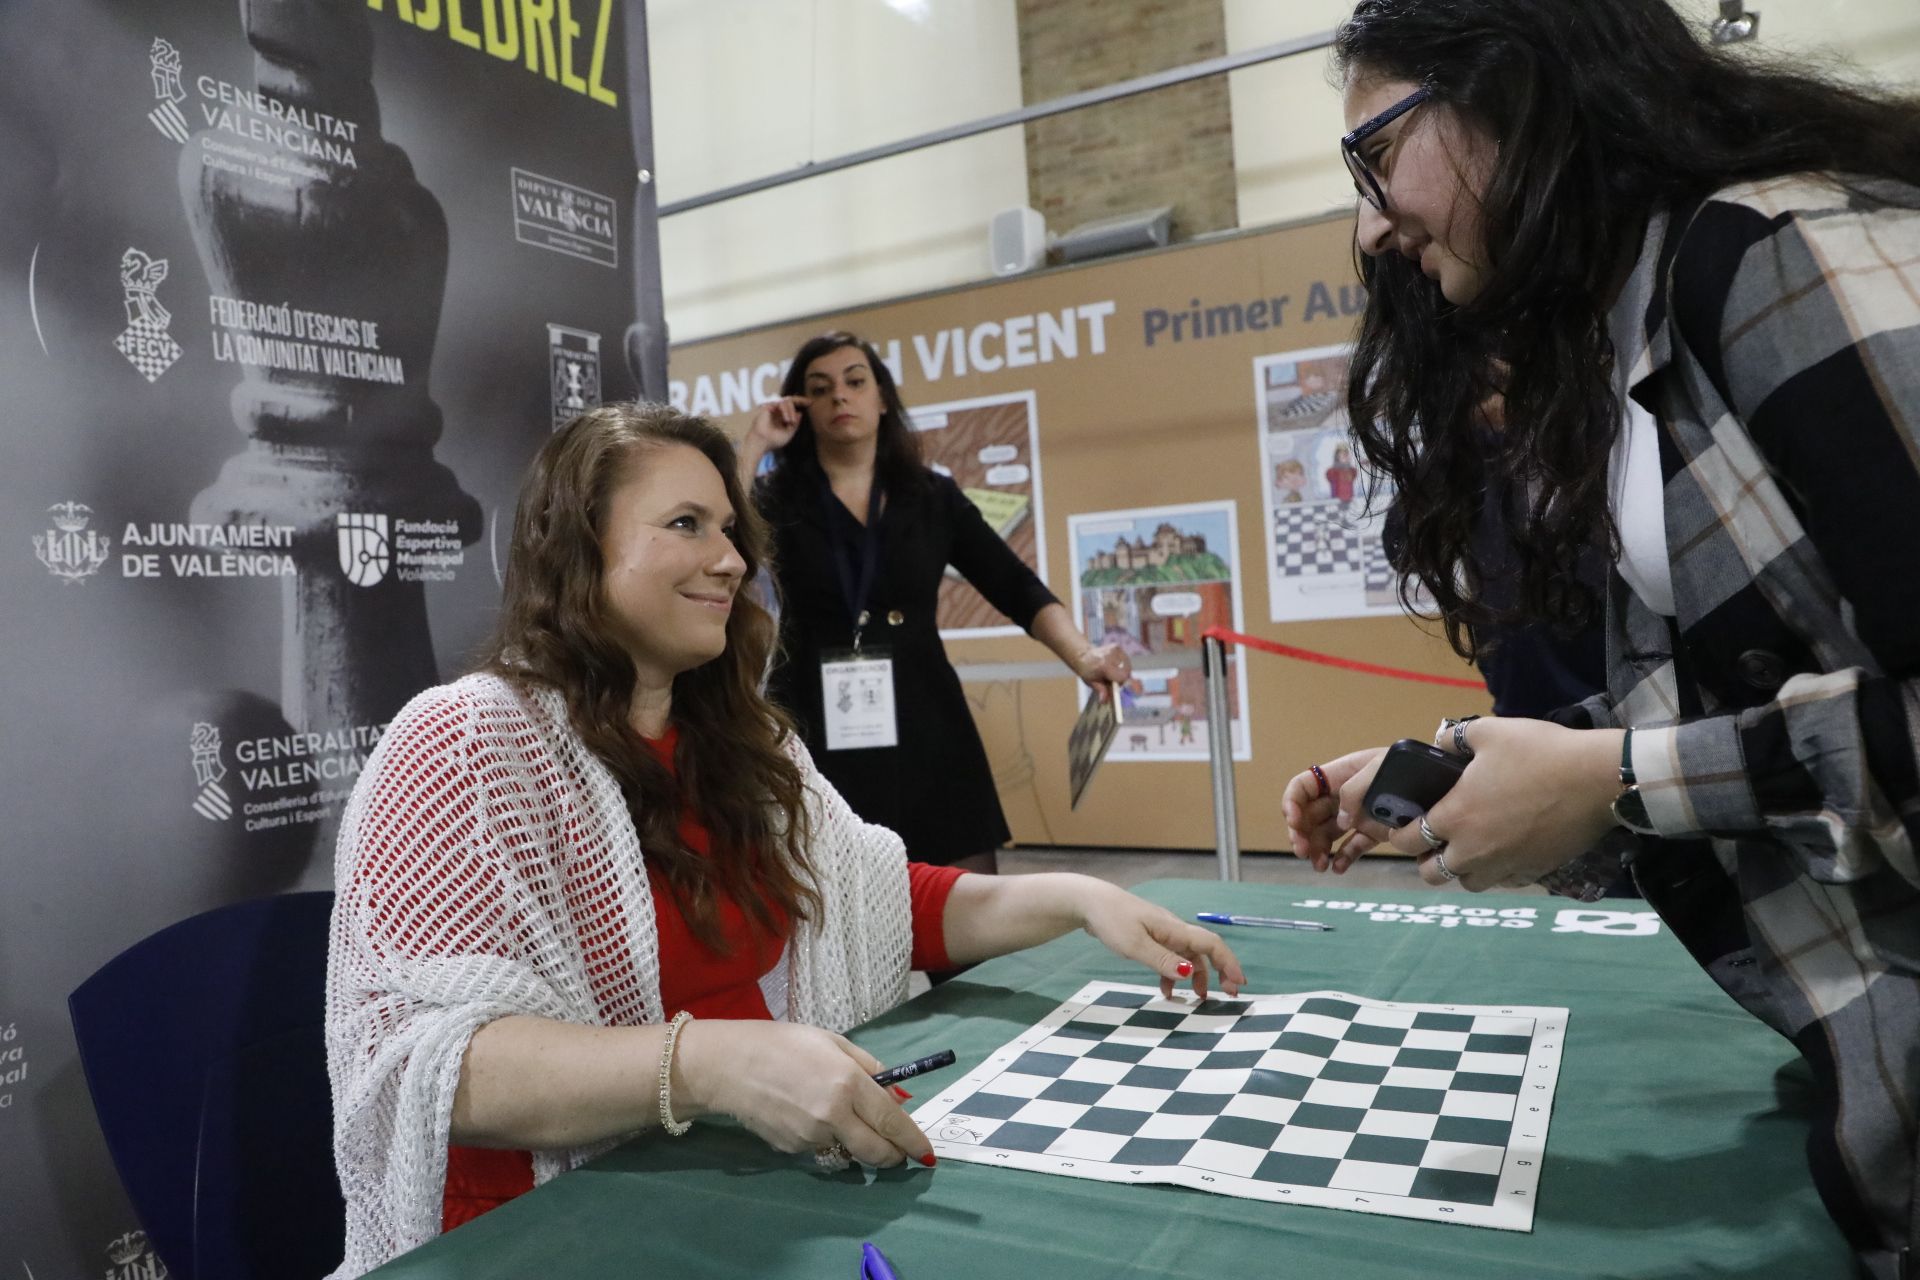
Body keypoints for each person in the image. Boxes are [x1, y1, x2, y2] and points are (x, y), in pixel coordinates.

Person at [1282, 3, 1920, 1274]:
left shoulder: (1775, 259)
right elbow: (1752, 685)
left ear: (1512, 93)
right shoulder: (1645, 332)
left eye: (1377, 153)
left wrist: (1615, 780)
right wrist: (1477, 764)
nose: (1370, 225)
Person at [324, 404, 1244, 1276]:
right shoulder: (462, 746)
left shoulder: (747, 743)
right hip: (547, 1235)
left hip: (751, 1196)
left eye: (729, 530)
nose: (728, 560)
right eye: (685, 524)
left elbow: (878, 907)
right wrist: (711, 1064)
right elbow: (426, 1063)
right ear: (575, 548)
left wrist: (1080, 899)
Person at [738, 333, 1130, 876]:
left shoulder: (931, 496)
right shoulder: (774, 499)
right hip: (814, 719)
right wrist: (755, 444)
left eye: (855, 382)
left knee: (968, 915)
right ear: (802, 408)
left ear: (882, 398)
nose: (840, 399)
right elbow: (722, 536)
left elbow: (1015, 586)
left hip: (926, 717)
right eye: (820, 390)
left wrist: (1084, 656)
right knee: (836, 914)